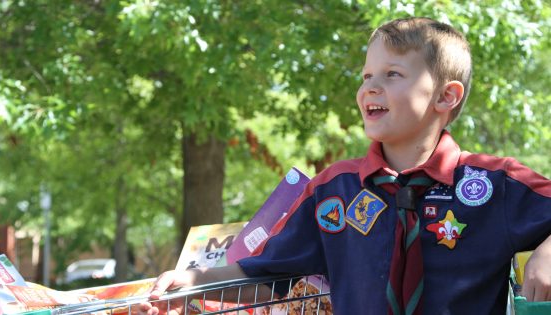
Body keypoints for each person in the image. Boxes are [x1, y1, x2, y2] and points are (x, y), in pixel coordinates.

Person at [138, 17, 551, 314]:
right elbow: (267, 274)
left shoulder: (493, 183)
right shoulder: (332, 189)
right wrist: (191, 286)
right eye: (367, 74)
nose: (370, 86)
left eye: (392, 74)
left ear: (446, 97)